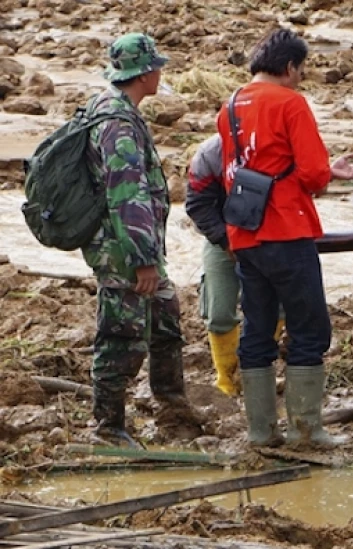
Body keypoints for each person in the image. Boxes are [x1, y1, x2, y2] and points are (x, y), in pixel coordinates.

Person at [216, 28, 353, 448]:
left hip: (246, 233)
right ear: (288, 67)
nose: (301, 78)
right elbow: (314, 174)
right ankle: (307, 429)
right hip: (287, 228)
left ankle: (261, 431)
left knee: (257, 329)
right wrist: (325, 173)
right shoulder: (291, 103)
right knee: (309, 329)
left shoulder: (229, 107)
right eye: (300, 70)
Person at [82, 33, 194, 447]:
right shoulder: (116, 122)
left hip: (133, 245)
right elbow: (125, 192)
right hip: (123, 250)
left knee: (165, 318)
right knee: (121, 334)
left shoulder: (117, 110)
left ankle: (173, 410)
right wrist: (143, 258)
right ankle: (108, 428)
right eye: (157, 67)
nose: (160, 73)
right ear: (145, 73)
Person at [185, 135, 285, 397]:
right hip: (222, 238)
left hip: (270, 237)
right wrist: (224, 239)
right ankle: (226, 380)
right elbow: (197, 204)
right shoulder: (210, 153)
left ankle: (256, 372)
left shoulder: (277, 144)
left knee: (277, 307)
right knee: (218, 310)